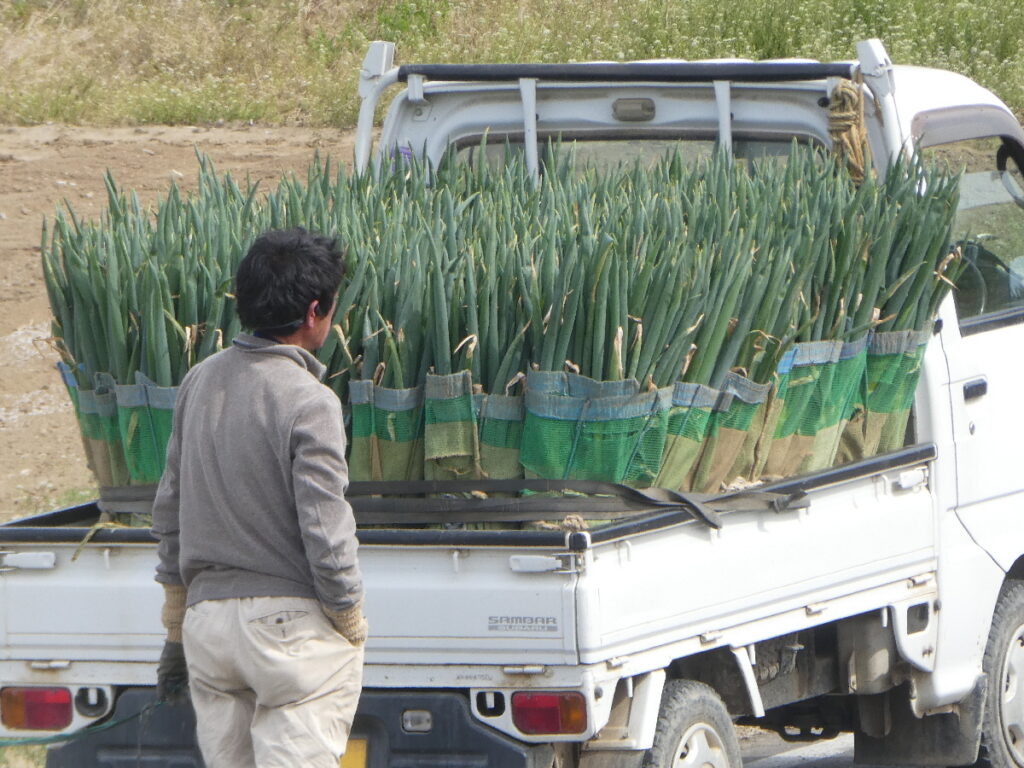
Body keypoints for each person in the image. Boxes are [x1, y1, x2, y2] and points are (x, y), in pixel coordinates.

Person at [152, 227, 366, 768]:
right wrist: (348, 614)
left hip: (207, 628)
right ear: (315, 311)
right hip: (286, 633)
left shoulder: (199, 381)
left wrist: (176, 619)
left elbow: (169, 506)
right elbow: (325, 522)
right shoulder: (309, 400)